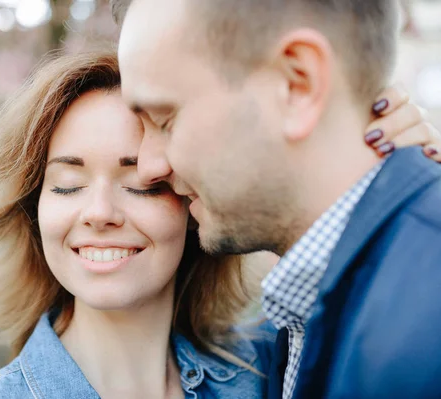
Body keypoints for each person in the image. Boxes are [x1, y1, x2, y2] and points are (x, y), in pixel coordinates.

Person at [0, 47, 436, 398]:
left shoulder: (279, 370)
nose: (99, 214)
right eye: (67, 185)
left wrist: (395, 162)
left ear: (194, 202)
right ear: (35, 212)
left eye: (142, 185)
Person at [112, 0, 441, 398]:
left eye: (165, 119)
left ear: (297, 83)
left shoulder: (423, 320)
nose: (147, 167)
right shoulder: (296, 326)